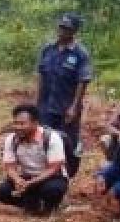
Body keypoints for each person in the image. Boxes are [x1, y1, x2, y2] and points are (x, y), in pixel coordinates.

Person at [36, 12, 93, 177]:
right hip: (46, 105)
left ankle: (65, 177)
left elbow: (82, 81)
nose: (62, 31)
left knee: (67, 143)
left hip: (66, 107)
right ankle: (44, 176)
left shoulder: (80, 54)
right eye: (61, 27)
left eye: (67, 28)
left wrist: (74, 107)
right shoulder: (48, 49)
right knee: (44, 140)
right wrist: (37, 102)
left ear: (74, 31)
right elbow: (41, 75)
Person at [0, 104, 69, 214]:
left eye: (22, 124)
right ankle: (32, 204)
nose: (18, 127)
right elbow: (10, 166)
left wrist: (31, 183)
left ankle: (49, 207)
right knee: (2, 193)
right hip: (26, 177)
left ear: (35, 123)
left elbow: (54, 168)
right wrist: (17, 180)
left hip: (50, 177)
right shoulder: (11, 139)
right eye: (16, 123)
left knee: (53, 190)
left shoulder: (52, 138)